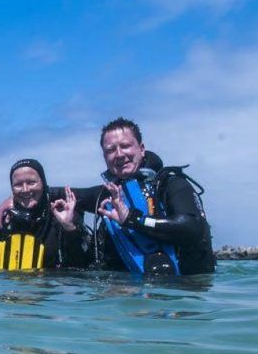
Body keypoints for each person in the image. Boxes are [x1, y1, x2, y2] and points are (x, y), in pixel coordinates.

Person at [85, 117, 215, 275]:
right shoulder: (107, 196)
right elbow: (58, 193)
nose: (119, 154)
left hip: (184, 289)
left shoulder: (171, 184)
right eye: (111, 150)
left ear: (141, 148)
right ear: (105, 157)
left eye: (125, 146)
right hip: (124, 294)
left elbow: (192, 227)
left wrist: (131, 219)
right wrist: (71, 227)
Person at [0, 159, 87, 270]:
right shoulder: (6, 222)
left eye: (31, 182)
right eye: (18, 185)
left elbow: (84, 266)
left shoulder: (62, 216)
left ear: (43, 183)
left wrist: (70, 228)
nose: (25, 189)